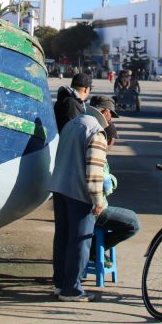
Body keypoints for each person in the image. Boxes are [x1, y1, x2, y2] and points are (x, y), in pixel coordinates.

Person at [48, 105, 108, 302]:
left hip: (59, 186)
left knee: (62, 237)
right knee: (81, 240)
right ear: (104, 113)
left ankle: (59, 283)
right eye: (111, 114)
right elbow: (95, 171)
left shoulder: (72, 124)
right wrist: (98, 200)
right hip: (79, 192)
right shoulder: (96, 133)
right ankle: (72, 288)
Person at [87, 95, 140, 254]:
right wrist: (111, 182)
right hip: (96, 209)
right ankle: (95, 250)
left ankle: (94, 248)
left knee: (129, 216)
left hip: (80, 204)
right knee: (133, 223)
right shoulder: (98, 144)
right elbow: (102, 182)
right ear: (109, 140)